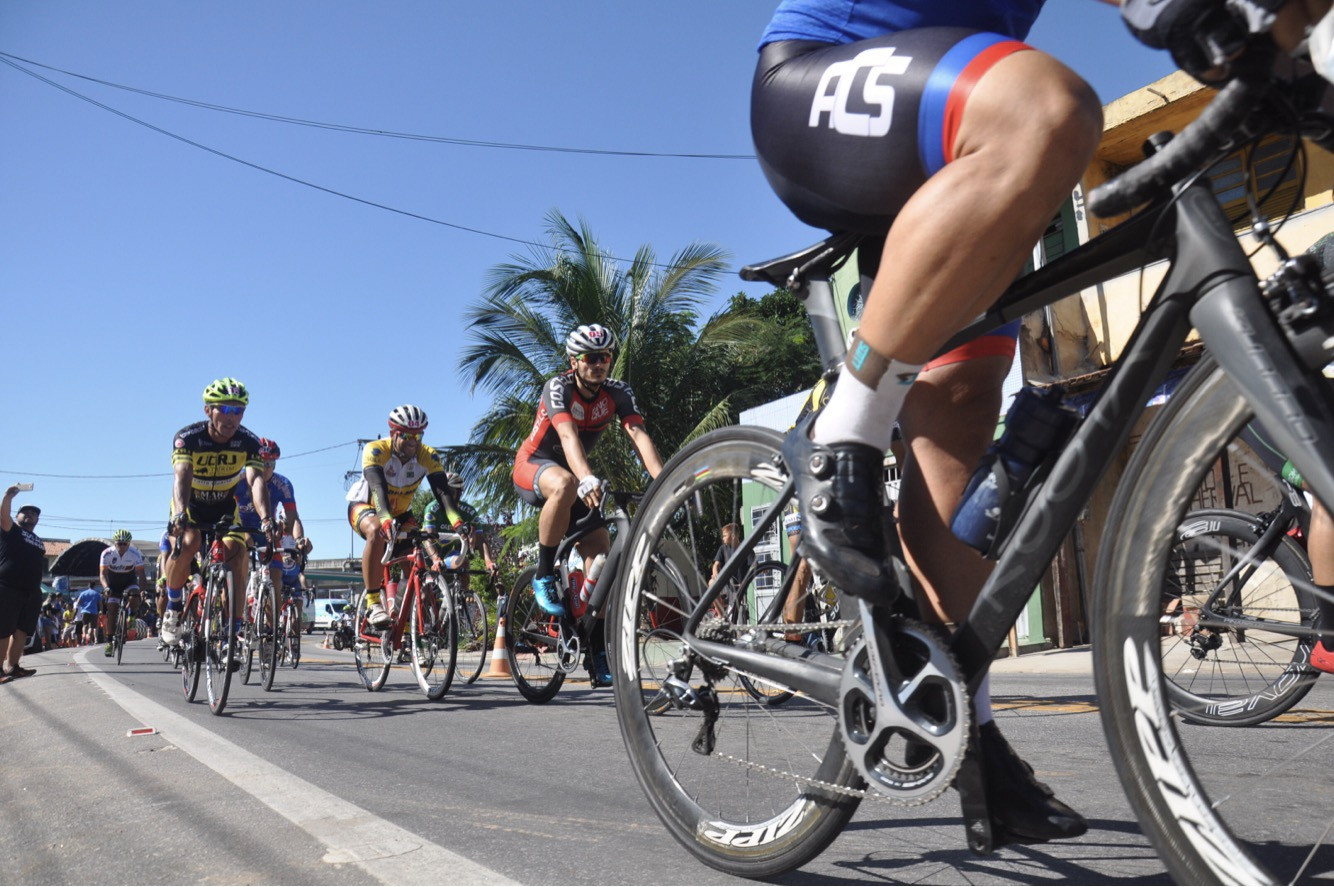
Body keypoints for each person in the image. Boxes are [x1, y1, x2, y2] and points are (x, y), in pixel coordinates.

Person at [752, 0, 1116, 844]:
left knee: (953, 474)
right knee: (1049, 110)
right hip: (823, 72)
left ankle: (976, 744)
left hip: (953, 159)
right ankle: (843, 427)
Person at [512, 324, 665, 684]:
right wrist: (585, 477)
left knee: (603, 559)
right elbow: (566, 435)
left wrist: (664, 481)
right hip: (535, 468)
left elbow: (639, 435)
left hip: (576, 480)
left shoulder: (617, 393)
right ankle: (544, 572)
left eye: (605, 358)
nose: (599, 365)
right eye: (591, 358)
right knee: (564, 482)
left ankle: (594, 645)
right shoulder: (558, 387)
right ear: (574, 361)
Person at [161, 378, 276, 665]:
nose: (231, 417)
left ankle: (232, 634)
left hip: (225, 509)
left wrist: (266, 519)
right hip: (190, 505)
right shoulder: (188, 438)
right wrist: (179, 515)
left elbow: (255, 481)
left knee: (237, 555)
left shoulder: (248, 441)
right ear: (208, 410)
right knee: (189, 541)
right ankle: (174, 607)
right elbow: (183, 475)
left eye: (238, 410)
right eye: (224, 409)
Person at [346, 405, 465, 629]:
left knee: (416, 567)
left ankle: (405, 624)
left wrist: (458, 523)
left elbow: (442, 494)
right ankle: (373, 603)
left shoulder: (427, 455)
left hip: (401, 514)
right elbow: (378, 489)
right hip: (367, 505)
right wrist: (385, 519)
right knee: (376, 530)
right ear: (393, 434)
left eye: (418, 435)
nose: (413, 441)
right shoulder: (376, 450)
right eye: (407, 435)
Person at [235, 437, 312, 597]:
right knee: (237, 571)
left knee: (276, 579)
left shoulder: (282, 484)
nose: (265, 468)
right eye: (261, 463)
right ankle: (235, 615)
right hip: (241, 526)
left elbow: (293, 517)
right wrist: (244, 534)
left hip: (266, 531)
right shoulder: (239, 480)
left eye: (270, 464)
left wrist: (299, 540)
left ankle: (272, 622)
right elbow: (230, 509)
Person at [0, 487, 45, 681]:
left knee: (22, 631)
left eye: (34, 513)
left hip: (32, 592)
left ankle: (13, 666)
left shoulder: (38, 541)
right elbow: (3, 516)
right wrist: (8, 496)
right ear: (17, 516)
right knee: (3, 629)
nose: (30, 515)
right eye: (26, 512)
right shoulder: (11, 530)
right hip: (8, 587)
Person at [423, 474, 497, 590]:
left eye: (450, 493)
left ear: (459, 493)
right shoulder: (432, 509)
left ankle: (462, 599)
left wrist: (488, 562)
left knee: (463, 562)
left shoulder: (468, 511)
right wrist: (435, 559)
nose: (445, 497)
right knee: (424, 596)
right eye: (443, 492)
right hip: (428, 556)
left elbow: (480, 540)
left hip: (448, 554)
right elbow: (428, 538)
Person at [99, 529, 147, 656]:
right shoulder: (106, 553)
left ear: (129, 544)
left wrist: (142, 590)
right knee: (112, 611)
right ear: (115, 543)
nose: (122, 546)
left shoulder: (135, 553)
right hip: (113, 584)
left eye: (125, 544)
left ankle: (132, 615)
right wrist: (105, 588)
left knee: (134, 593)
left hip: (129, 580)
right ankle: (109, 642)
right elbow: (103, 574)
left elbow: (141, 574)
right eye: (119, 543)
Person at [709, 523, 754, 618]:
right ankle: (721, 617)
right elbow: (716, 564)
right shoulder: (722, 549)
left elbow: (753, 567)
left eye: (725, 535)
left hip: (739, 586)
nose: (723, 538)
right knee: (711, 583)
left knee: (737, 614)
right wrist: (715, 572)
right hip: (725, 584)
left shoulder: (746, 549)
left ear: (733, 535)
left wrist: (759, 571)